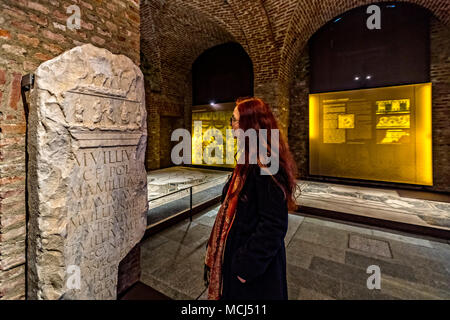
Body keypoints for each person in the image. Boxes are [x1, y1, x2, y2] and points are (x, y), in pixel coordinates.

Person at [204, 97, 299, 300]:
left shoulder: (265, 163)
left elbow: (274, 225)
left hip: (254, 276)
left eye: (236, 120)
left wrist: (245, 267)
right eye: (233, 119)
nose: (232, 125)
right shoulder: (249, 158)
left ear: (251, 125)